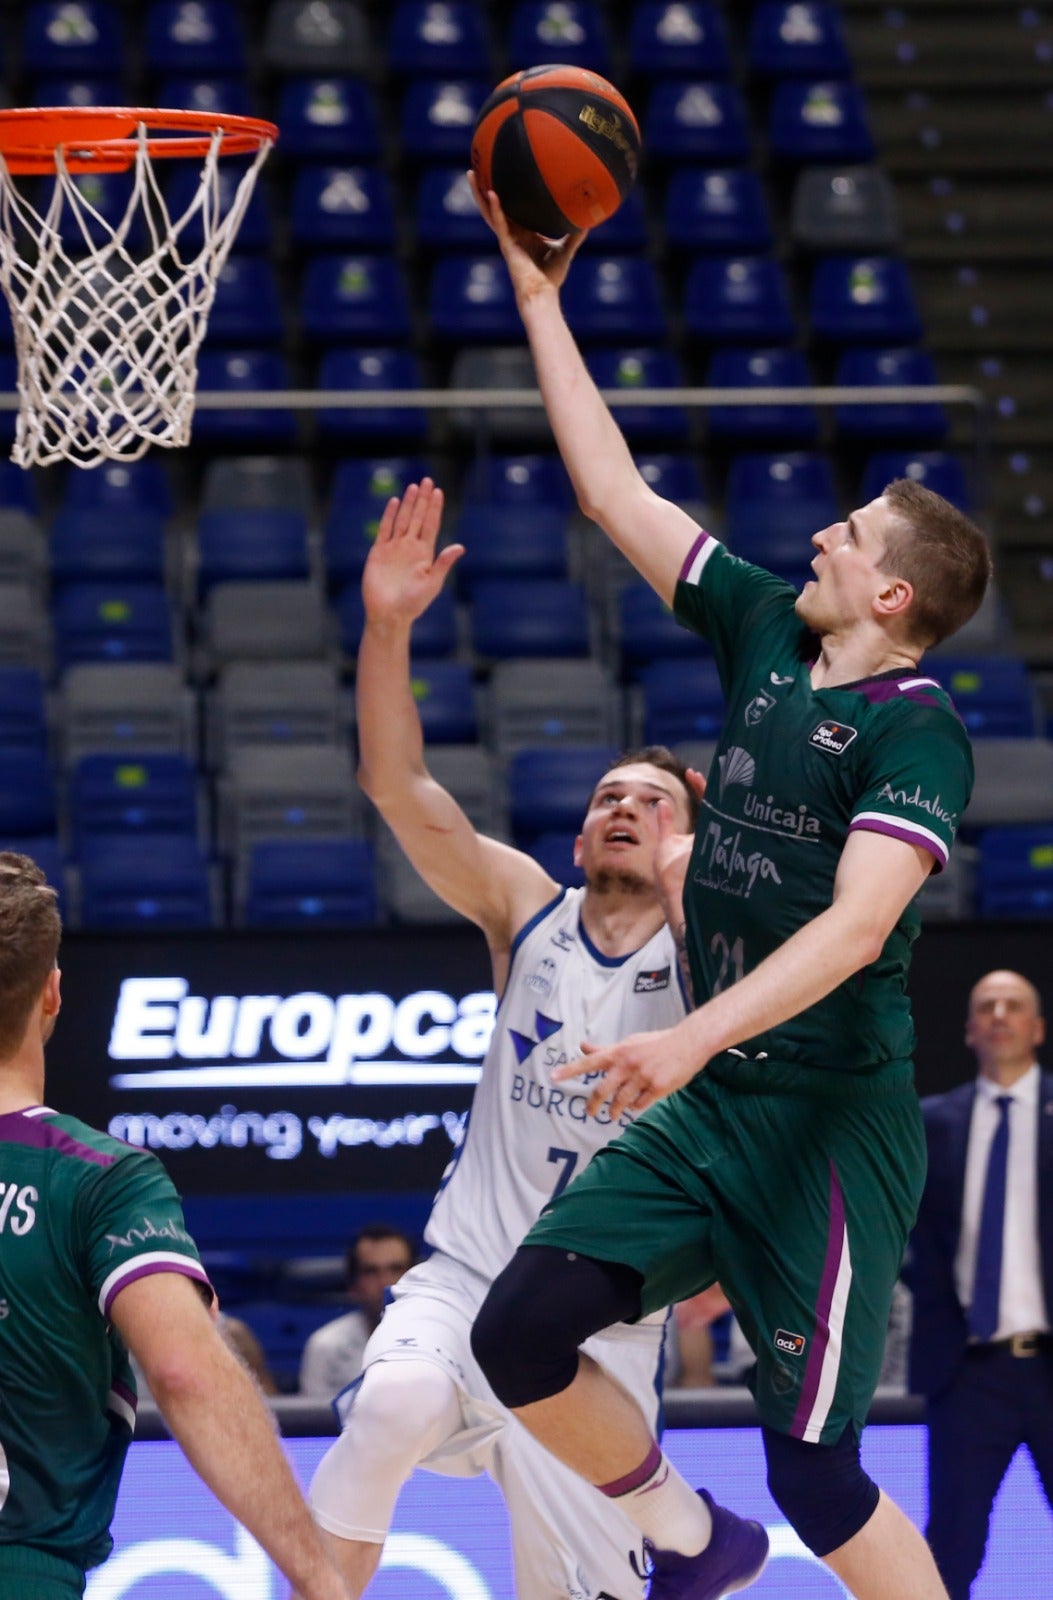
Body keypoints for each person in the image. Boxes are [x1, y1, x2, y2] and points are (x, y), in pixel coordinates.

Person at [466, 178, 993, 1600]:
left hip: (828, 1124)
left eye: (852, 536)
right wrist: (538, 298)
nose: (823, 536)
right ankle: (691, 1545)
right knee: (514, 1338)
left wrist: (690, 1033)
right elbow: (610, 490)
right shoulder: (761, 623)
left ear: (891, 599)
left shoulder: (914, 727)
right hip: (717, 1108)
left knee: (818, 1474)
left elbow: (861, 922)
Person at [307, 476, 703, 1600]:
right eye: (608, 797)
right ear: (579, 838)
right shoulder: (525, 907)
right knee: (386, 1408)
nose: (625, 807)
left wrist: (696, 875)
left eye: (655, 800)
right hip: (467, 1277)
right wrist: (387, 626)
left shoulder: (722, 955)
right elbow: (397, 782)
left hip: (596, 1332)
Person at [0, 852, 348, 1600]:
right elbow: (186, 1372)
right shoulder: (99, 1179)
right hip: (11, 1574)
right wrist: (317, 1575)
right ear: (52, 995)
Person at [908, 968, 1053, 1599]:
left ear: (1037, 1028)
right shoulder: (931, 1122)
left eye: (1013, 1005)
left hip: (1050, 1364)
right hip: (965, 1372)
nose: (999, 1014)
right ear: (968, 1029)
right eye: (985, 1006)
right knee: (951, 1552)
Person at [299, 1225, 416, 1403]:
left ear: (417, 1278)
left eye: (396, 1269)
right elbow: (314, 1424)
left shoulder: (444, 1338)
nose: (385, 1283)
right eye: (371, 1272)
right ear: (353, 1286)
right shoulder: (325, 1346)